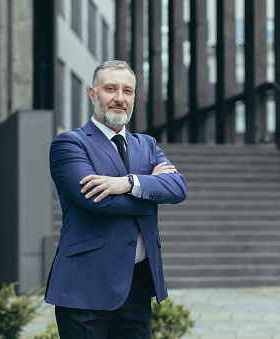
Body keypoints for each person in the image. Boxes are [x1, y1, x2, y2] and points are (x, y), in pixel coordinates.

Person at [46, 60, 187, 338]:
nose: (119, 98)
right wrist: (150, 190)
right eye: (110, 89)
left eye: (128, 90)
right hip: (85, 289)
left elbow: (178, 187)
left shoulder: (147, 145)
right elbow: (96, 200)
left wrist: (128, 183)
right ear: (92, 94)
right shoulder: (70, 144)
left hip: (137, 288)